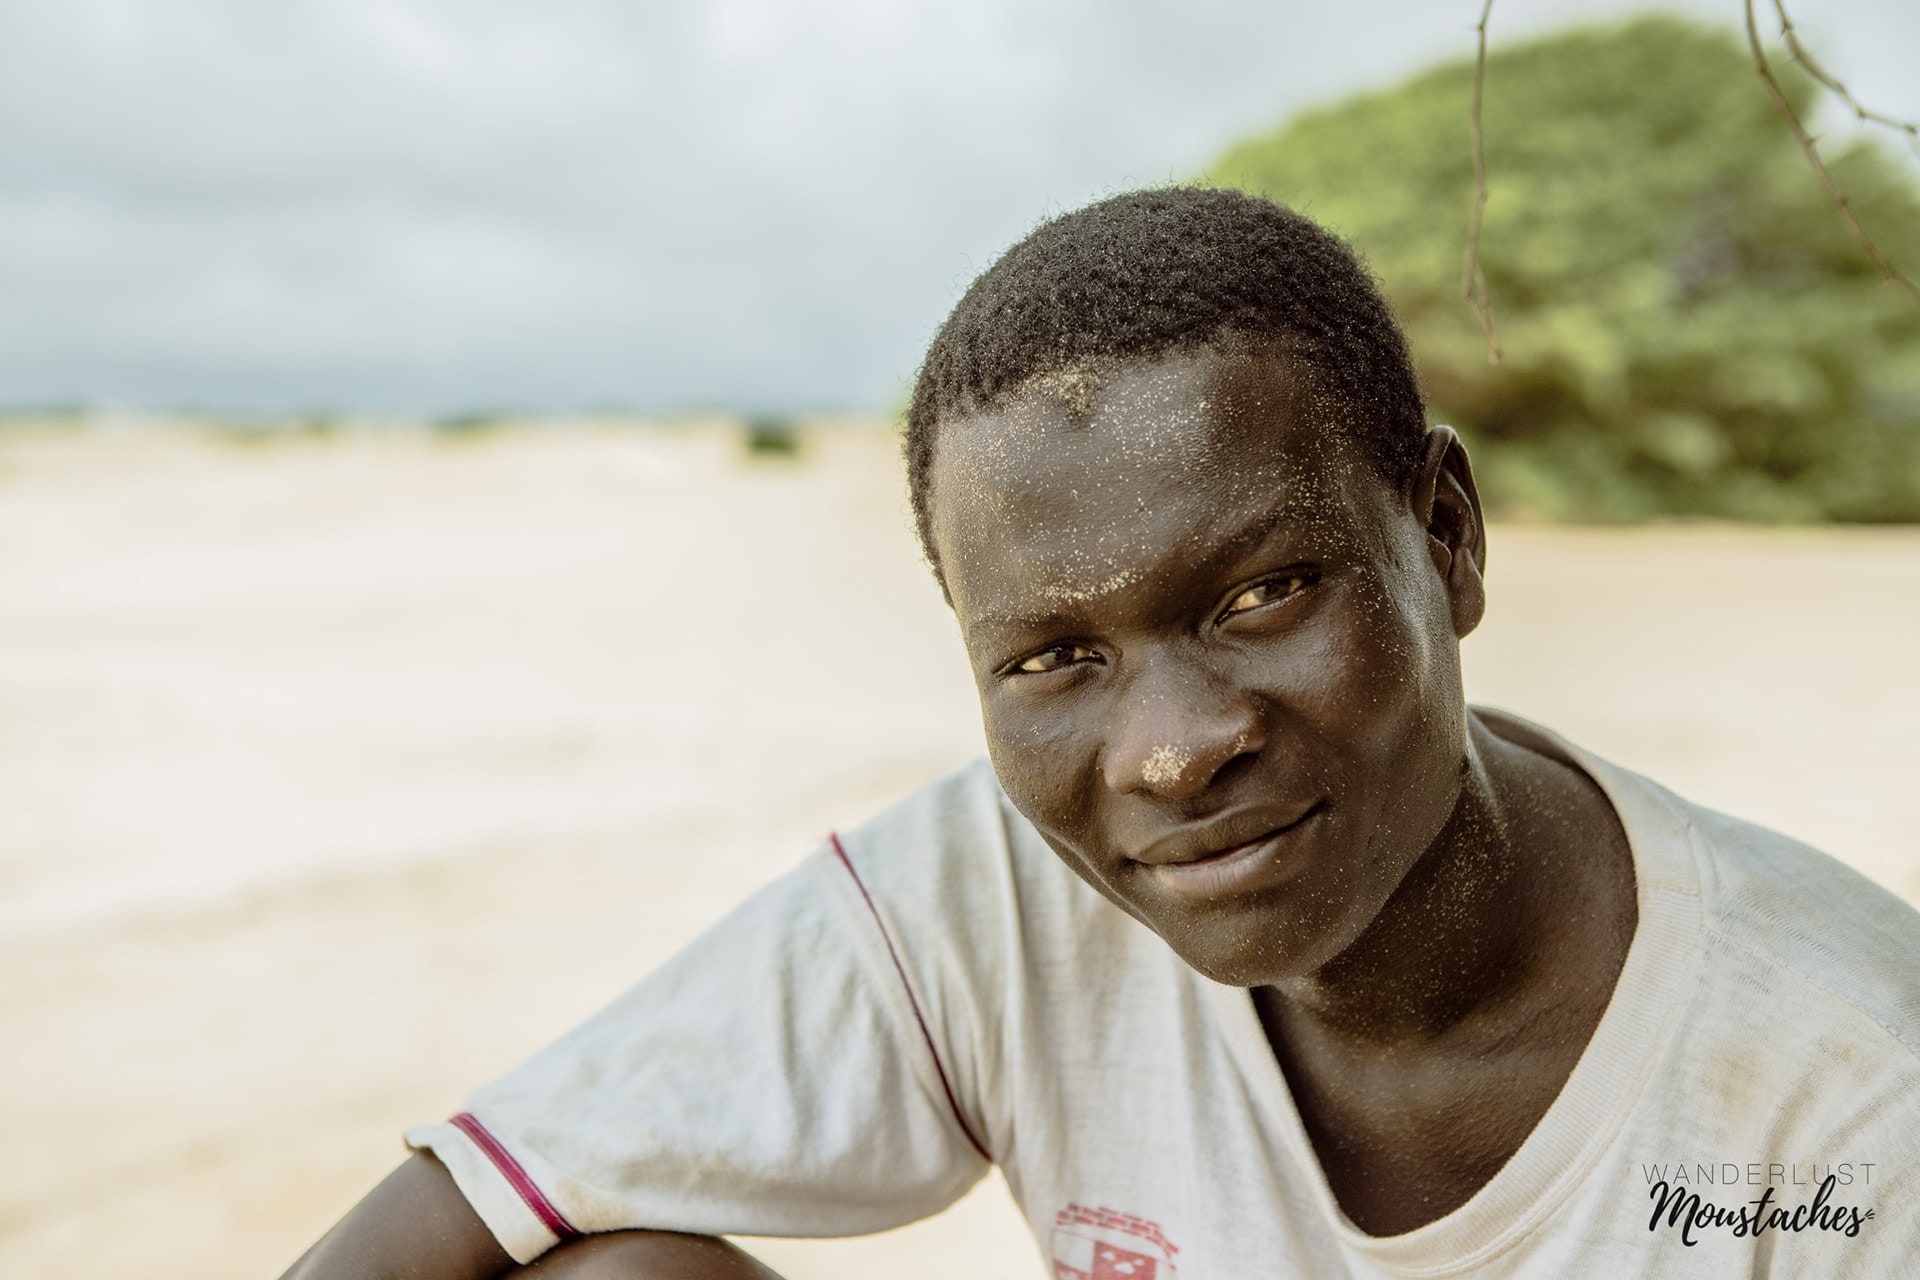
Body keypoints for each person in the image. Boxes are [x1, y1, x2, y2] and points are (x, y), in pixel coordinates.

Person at [281, 188, 1920, 1279]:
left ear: (1448, 536)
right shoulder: (996, 894)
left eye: (1267, 590)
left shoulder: (1846, 1104)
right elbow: (447, 1218)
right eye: (1054, 655)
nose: (1167, 750)